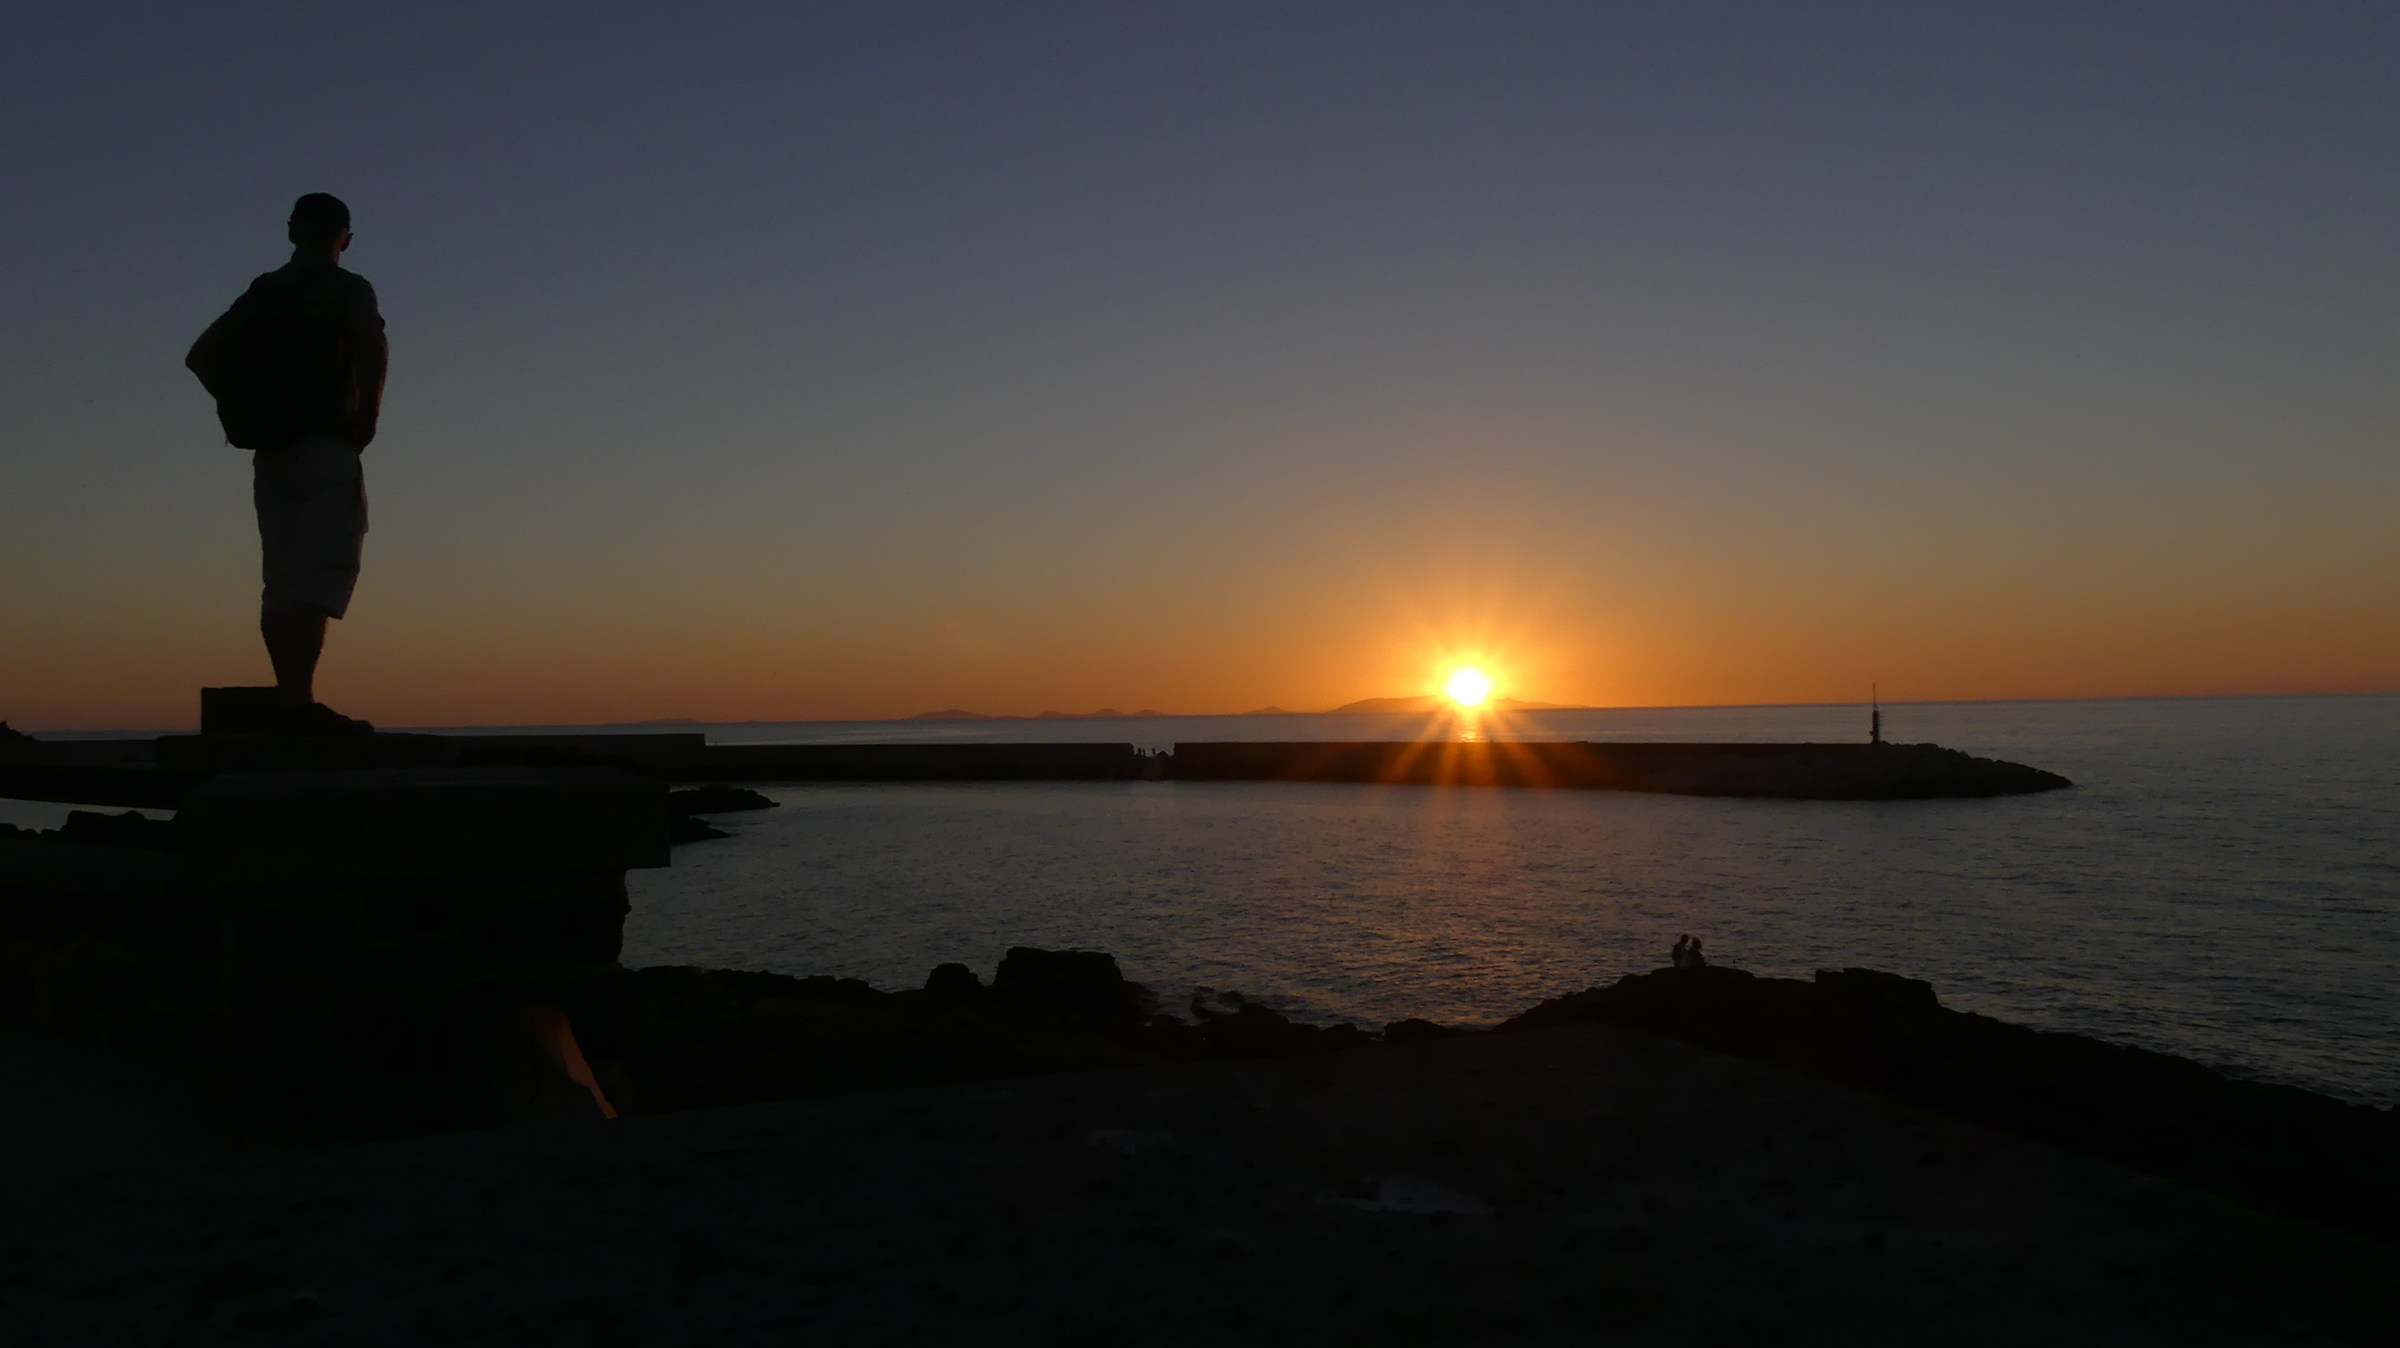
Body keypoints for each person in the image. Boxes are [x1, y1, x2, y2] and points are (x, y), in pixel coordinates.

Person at [185, 193, 387, 735]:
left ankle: (291, 699)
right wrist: (365, 420)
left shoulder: (265, 292)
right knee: (321, 568)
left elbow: (201, 356)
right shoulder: (348, 288)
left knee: (281, 577)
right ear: (346, 238)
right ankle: (298, 706)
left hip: (270, 454)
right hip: (324, 444)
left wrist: (242, 407)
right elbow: (370, 349)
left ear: (291, 231)